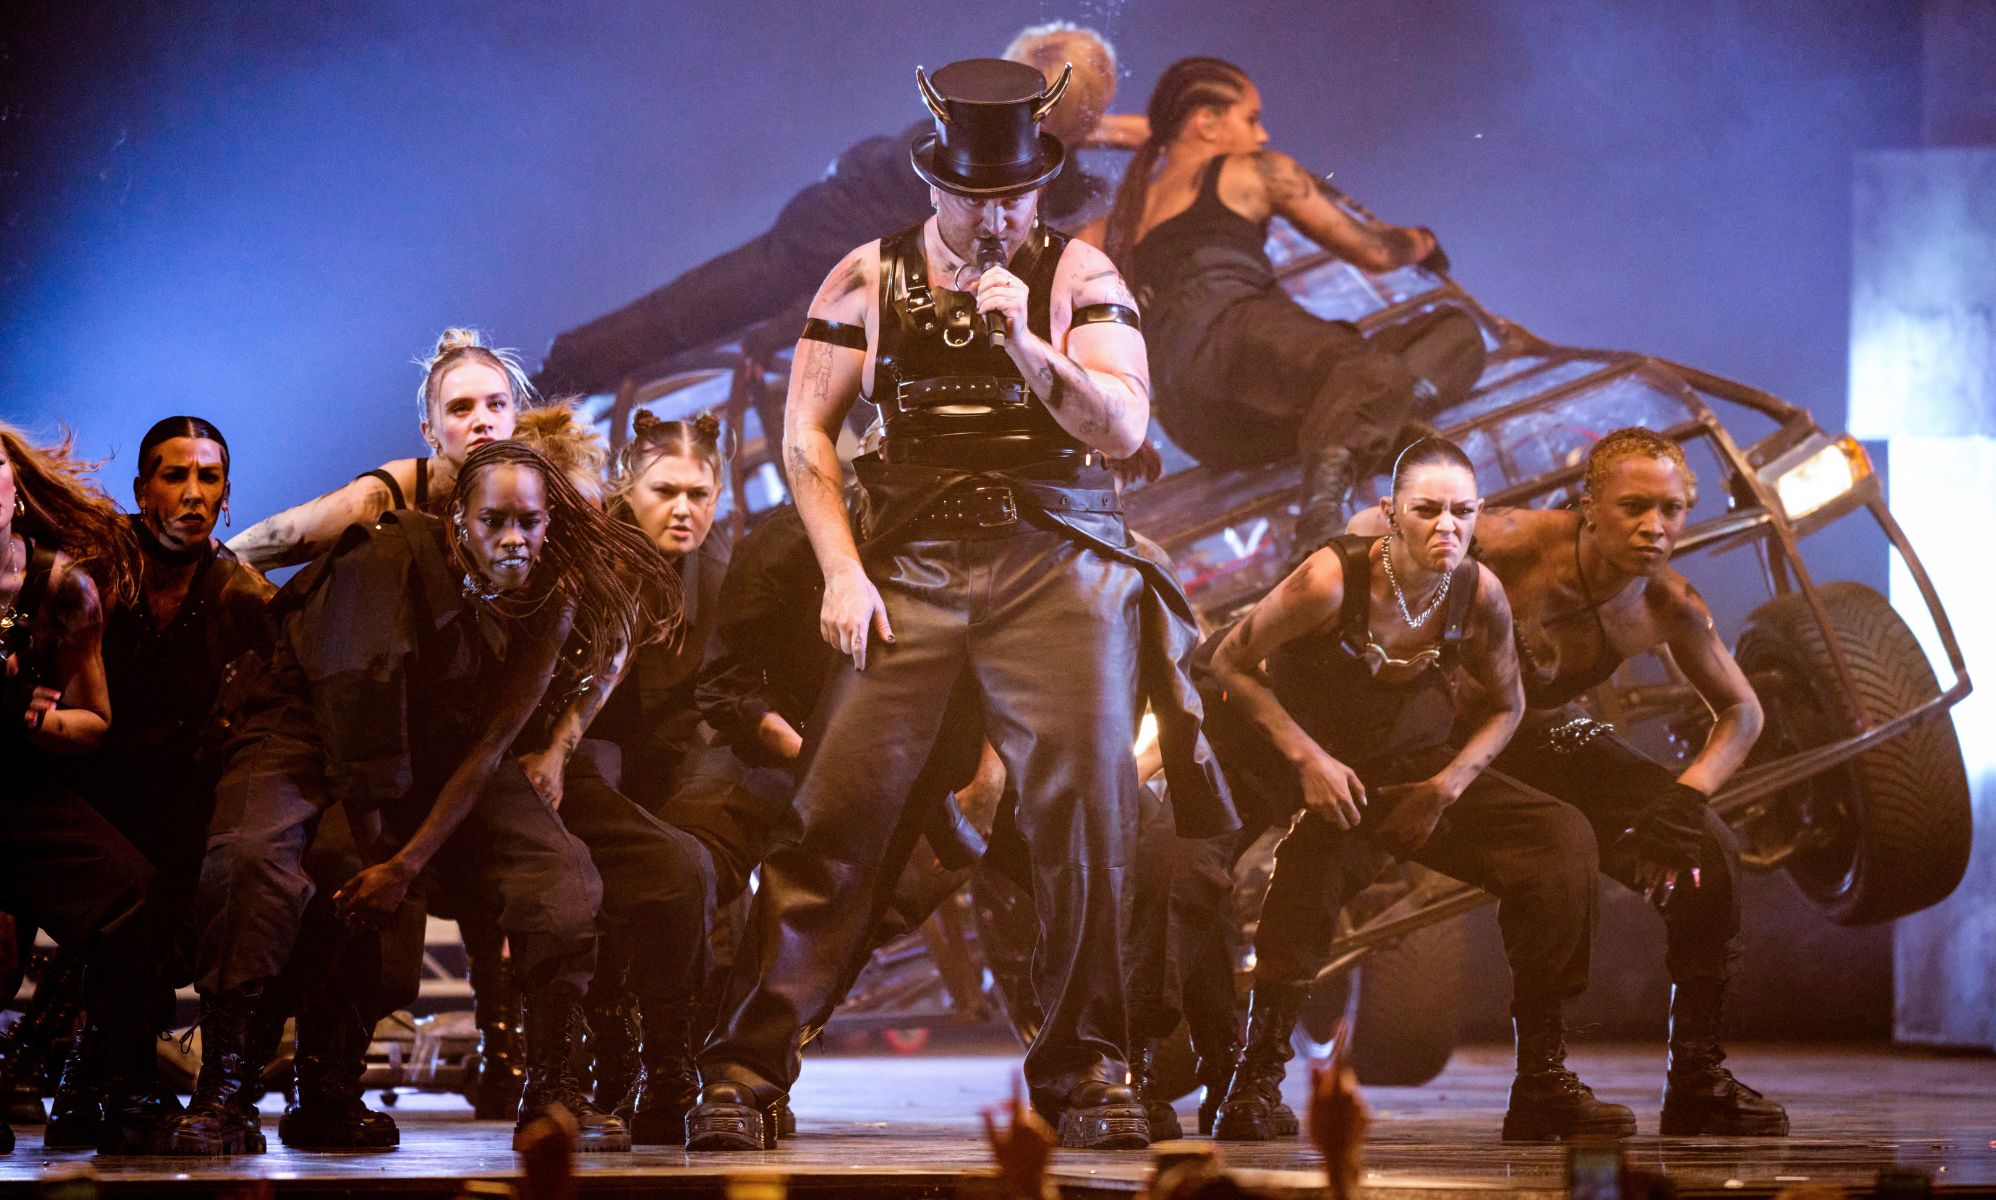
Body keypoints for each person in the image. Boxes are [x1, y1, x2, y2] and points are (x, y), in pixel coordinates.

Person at [682, 57, 1232, 1153]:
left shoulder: (1080, 275)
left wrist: (1026, 342)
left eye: (1016, 198)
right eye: (978, 200)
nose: (997, 218)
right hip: (914, 560)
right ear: (937, 187)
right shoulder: (863, 276)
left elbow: (1123, 430)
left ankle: (1089, 1067)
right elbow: (805, 435)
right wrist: (840, 567)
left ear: (1038, 191)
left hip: (1058, 555)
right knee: (835, 808)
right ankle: (746, 1068)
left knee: (1090, 816)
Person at [164, 440, 675, 1156]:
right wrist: (384, 860)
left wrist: (408, 866)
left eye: (527, 521)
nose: (512, 538)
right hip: (306, 730)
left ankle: (549, 1092)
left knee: (561, 884)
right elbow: (354, 717)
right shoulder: (381, 561)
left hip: (437, 750)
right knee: (256, 861)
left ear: (549, 522)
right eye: (493, 520)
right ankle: (230, 1092)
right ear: (456, 521)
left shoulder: (551, 593)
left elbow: (492, 743)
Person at [1348, 427, 1786, 1137]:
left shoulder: (1667, 604)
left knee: (1708, 848)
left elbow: (1743, 710)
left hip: (1543, 731)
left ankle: (1698, 1077)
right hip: (1431, 732)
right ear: (1589, 507)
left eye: (1671, 510)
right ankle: (1543, 1081)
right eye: (1634, 507)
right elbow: (1371, 526)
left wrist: (1688, 793)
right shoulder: (1516, 539)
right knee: (1562, 849)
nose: (1654, 527)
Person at [1198, 438, 1624, 1145]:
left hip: (1404, 766)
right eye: (1426, 511)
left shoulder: (1476, 591)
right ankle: (1252, 1084)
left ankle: (1543, 1081)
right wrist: (1309, 761)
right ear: (1391, 514)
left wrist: (1444, 789)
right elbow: (1228, 663)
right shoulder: (1329, 580)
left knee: (1561, 837)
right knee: (1304, 875)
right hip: (1294, 755)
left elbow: (1507, 707)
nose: (1445, 527)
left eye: (1462, 512)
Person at [532, 23, 1144, 398]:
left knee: (705, 306)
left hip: (841, 211)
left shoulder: (997, 109)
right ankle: (566, 370)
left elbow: (1066, 130)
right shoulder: (1006, 150)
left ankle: (568, 369)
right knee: (703, 313)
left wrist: (1109, 128)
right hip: (834, 231)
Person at [1101, 57, 1484, 557]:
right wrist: (1425, 241)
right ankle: (1322, 523)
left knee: (1384, 371)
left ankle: (1368, 424)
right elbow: (1375, 250)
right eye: (1251, 117)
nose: (1262, 135)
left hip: (1197, 423)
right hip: (1238, 334)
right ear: (1206, 122)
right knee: (1437, 344)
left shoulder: (1109, 229)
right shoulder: (1250, 171)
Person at [38, 417, 276, 1155]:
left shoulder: (243, 594)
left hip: (183, 798)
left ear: (228, 495)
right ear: (142, 489)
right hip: (85, 789)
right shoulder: (94, 572)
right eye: (175, 475)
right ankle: (97, 1071)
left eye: (209, 478)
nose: (192, 493)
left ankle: (115, 1074)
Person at [0, 421, 161, 1157]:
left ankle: (104, 1082)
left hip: (20, 787)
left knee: (134, 897)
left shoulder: (61, 587)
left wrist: (36, 721)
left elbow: (94, 720)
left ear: (14, 490)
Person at [226, 328, 531, 570]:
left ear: (515, 417)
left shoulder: (544, 490)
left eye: (496, 404)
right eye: (461, 408)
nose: (483, 421)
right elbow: (241, 552)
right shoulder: (384, 496)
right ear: (430, 432)